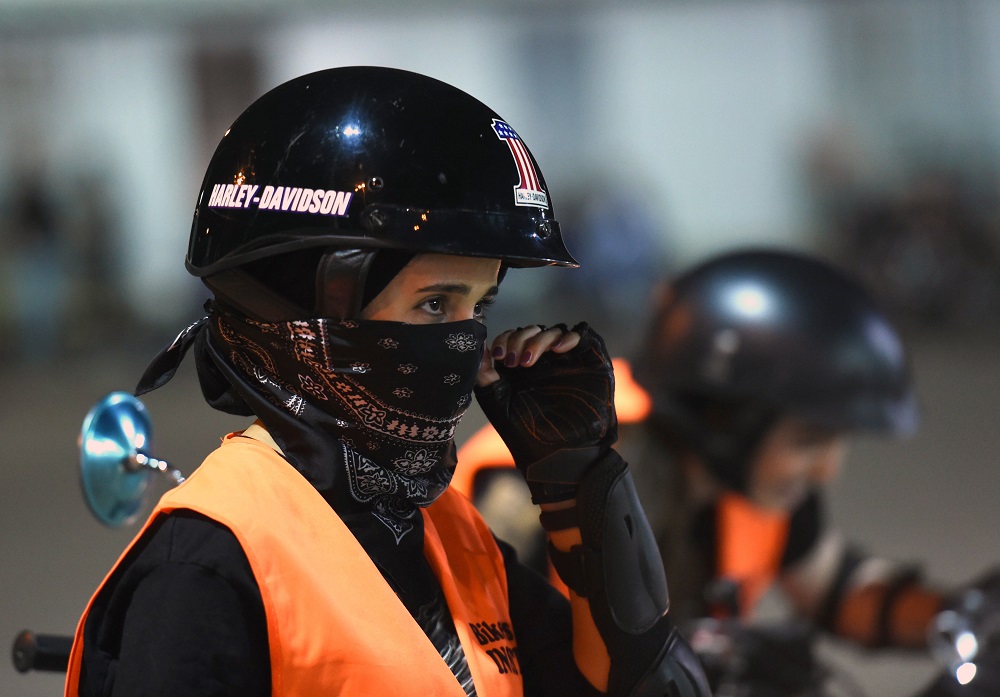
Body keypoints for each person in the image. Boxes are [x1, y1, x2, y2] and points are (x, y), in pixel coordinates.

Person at [62, 66, 709, 697]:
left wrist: (579, 486)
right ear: (302, 308)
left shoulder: (440, 530)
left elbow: (649, 685)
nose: (467, 341)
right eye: (434, 303)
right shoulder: (204, 569)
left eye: (478, 306)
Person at [457, 248, 955, 658]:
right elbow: (479, 662)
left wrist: (961, 613)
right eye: (809, 441)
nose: (827, 469)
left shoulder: (743, 477)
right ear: (725, 418)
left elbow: (839, 591)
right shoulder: (544, 467)